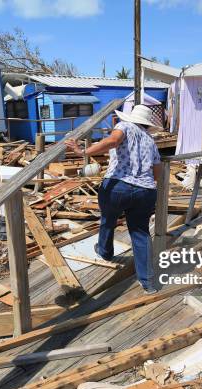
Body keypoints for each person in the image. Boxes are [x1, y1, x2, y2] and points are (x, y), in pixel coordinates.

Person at [65, 104, 162, 294]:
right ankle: (148, 282)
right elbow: (157, 170)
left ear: (130, 117)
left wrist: (82, 152)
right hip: (146, 190)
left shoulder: (124, 126)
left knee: (108, 220)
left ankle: (105, 252)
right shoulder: (151, 141)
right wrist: (145, 184)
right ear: (147, 124)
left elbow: (113, 140)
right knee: (140, 233)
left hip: (118, 186)